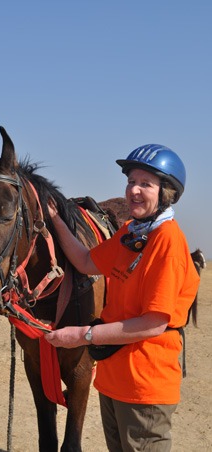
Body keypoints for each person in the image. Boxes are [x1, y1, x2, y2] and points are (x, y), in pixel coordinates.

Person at [45, 144, 200, 452]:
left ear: (167, 192)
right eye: (131, 182)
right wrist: (56, 220)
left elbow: (154, 323)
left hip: (145, 385)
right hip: (113, 379)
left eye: (146, 184)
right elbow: (87, 262)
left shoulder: (166, 241)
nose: (134, 190)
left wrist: (83, 335)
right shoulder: (131, 233)